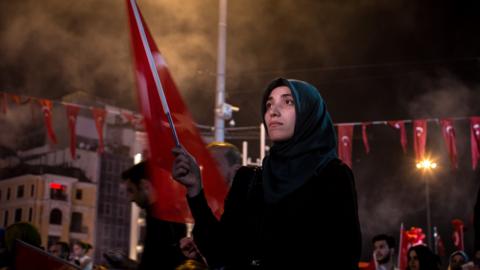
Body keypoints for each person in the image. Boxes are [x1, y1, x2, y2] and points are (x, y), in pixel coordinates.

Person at [172, 78, 362, 269]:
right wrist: (195, 190)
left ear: (309, 113)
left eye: (288, 102)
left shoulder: (332, 176)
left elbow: (345, 257)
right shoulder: (248, 180)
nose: (273, 111)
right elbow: (221, 252)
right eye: (269, 104)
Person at [120, 160, 187, 270]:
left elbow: (158, 264)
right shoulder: (167, 213)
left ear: (144, 185)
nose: (130, 198)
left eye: (131, 190)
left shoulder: (161, 218)